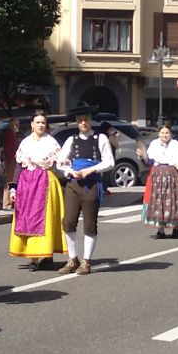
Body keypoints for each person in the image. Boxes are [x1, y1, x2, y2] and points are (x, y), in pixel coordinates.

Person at [55, 104, 114, 273]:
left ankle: (86, 261)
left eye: (86, 119)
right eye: (80, 120)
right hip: (74, 184)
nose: (83, 122)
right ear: (76, 122)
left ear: (90, 120)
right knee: (68, 221)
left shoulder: (100, 138)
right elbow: (60, 161)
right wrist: (69, 170)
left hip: (92, 184)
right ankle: (72, 259)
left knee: (89, 224)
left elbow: (109, 162)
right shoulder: (71, 140)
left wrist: (91, 169)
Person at [9, 109, 67, 268]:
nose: (41, 125)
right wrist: (13, 188)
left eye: (43, 122)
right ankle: (33, 257)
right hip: (27, 184)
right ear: (32, 124)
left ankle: (45, 254)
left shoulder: (51, 142)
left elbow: (60, 164)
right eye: (38, 122)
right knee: (28, 219)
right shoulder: (25, 142)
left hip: (46, 182)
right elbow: (19, 167)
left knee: (46, 220)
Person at [141, 122, 178, 237]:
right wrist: (141, 156)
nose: (164, 135)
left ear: (171, 134)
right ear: (158, 133)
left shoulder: (175, 144)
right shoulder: (154, 144)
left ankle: (175, 228)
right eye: (162, 133)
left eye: (167, 133)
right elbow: (149, 160)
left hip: (172, 174)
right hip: (157, 175)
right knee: (158, 201)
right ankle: (161, 230)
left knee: (173, 201)